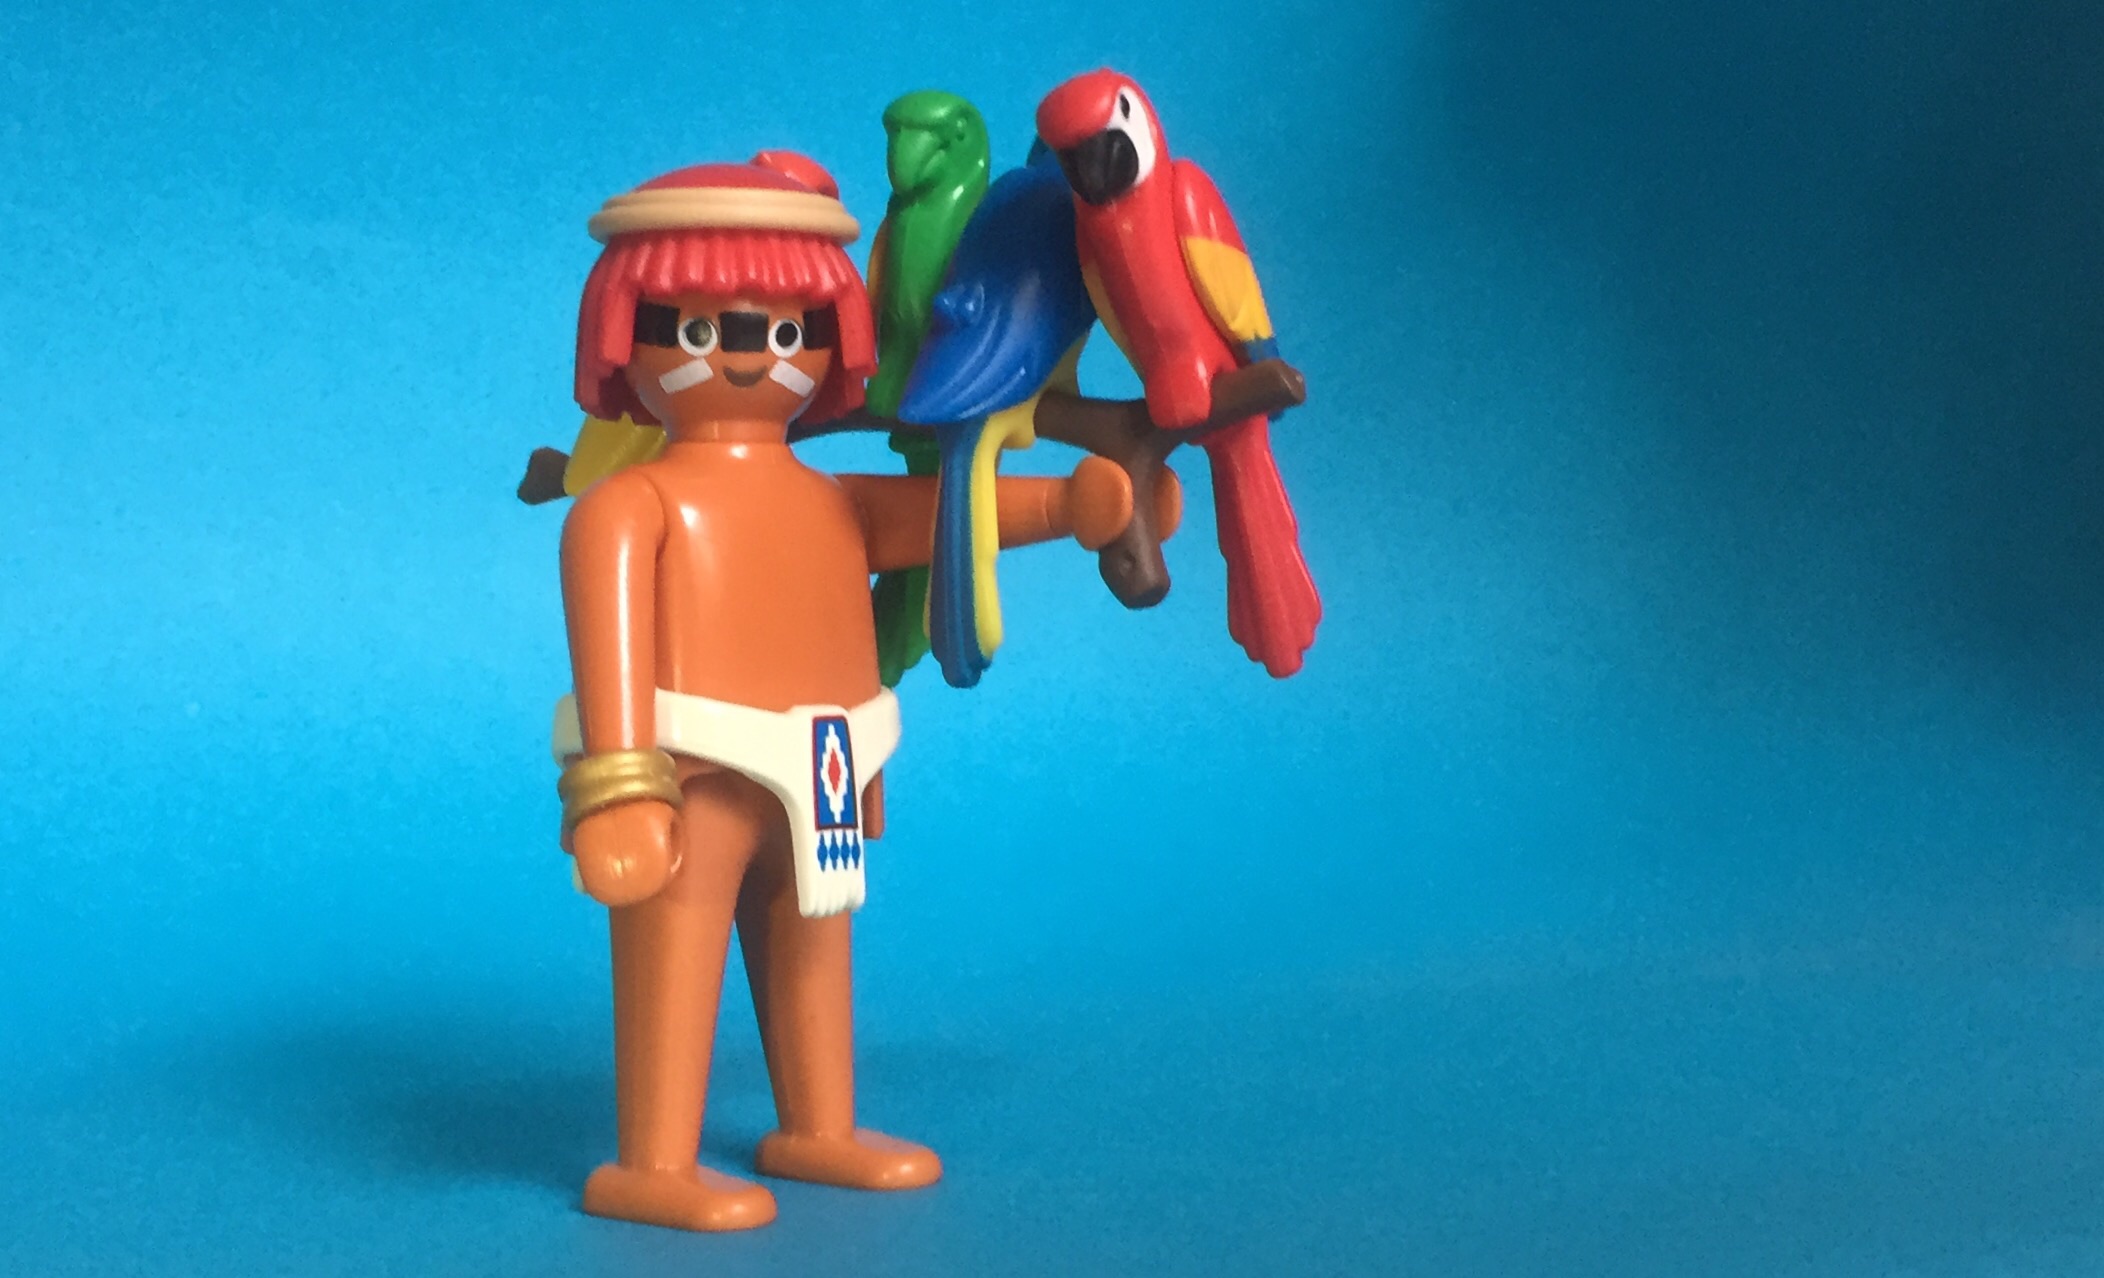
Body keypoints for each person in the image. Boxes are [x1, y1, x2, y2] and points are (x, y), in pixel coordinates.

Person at [554, 151, 1135, 1232]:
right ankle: (655, 1160)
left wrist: (1068, 506)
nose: (748, 356)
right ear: (622, 337)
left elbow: (943, 516)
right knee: (678, 949)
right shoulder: (626, 509)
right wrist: (618, 789)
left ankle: (818, 1127)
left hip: (828, 760)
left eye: (786, 330)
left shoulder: (828, 499)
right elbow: (609, 653)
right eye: (700, 329)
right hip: (698, 769)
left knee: (815, 937)